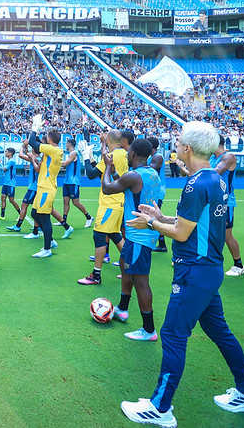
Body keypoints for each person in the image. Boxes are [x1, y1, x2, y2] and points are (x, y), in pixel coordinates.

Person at [121, 121, 244, 427]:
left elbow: (180, 233)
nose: (175, 147)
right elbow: (192, 222)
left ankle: (160, 409)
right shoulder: (214, 180)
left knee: (174, 334)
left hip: (194, 272)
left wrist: (151, 224)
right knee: (220, 333)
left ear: (187, 149)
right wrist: (161, 216)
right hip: (210, 269)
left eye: (178, 143)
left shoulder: (195, 184)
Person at [100, 138, 161, 341]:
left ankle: (149, 330)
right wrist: (116, 172)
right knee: (125, 267)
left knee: (140, 280)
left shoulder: (134, 175)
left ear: (133, 154)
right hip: (141, 232)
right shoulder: (151, 171)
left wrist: (107, 167)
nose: (126, 154)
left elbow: (107, 188)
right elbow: (125, 184)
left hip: (139, 235)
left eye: (128, 152)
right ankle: (123, 309)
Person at [78, 132, 126, 285]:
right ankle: (129, 270)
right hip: (119, 201)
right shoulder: (122, 154)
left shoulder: (112, 156)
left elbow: (92, 174)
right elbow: (102, 172)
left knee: (99, 236)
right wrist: (97, 152)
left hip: (109, 203)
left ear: (109, 140)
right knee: (115, 236)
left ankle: (96, 275)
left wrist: (86, 155)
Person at [28, 115, 73, 258]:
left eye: (47, 136)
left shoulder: (53, 150)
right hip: (44, 187)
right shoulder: (53, 150)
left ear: (50, 139)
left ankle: (47, 248)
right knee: (35, 214)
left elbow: (32, 143)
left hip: (46, 188)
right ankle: (50, 239)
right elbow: (35, 143)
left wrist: (35, 128)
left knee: (44, 217)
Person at [209, 135, 244, 276]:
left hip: (225, 201)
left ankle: (239, 265)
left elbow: (215, 173)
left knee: (226, 235)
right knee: (213, 233)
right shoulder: (212, 158)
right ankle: (212, 261)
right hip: (213, 200)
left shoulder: (228, 156)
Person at [60, 139, 93, 228]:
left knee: (76, 202)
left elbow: (65, 164)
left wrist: (54, 161)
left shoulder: (74, 153)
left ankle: (89, 217)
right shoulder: (71, 154)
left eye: (66, 144)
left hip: (73, 182)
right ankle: (63, 220)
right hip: (67, 181)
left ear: (69, 144)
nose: (65, 146)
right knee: (65, 201)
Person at [7, 141, 39, 233]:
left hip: (33, 187)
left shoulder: (35, 159)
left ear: (33, 150)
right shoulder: (37, 158)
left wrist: (22, 146)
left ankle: (18, 226)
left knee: (24, 205)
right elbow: (26, 154)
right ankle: (38, 226)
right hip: (35, 187)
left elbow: (21, 155)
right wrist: (26, 148)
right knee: (35, 208)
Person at [147, 137, 168, 253]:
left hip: (158, 191)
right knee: (156, 217)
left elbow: (151, 169)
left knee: (156, 217)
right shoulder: (153, 157)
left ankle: (155, 242)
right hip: (154, 191)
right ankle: (162, 244)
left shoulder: (157, 157)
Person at [0, 147, 20, 220]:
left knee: (11, 200)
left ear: (10, 153)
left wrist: (0, 163)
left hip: (11, 184)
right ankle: (2, 215)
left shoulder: (12, 161)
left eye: (6, 152)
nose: (5, 153)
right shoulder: (9, 161)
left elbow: (4, 169)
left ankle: (21, 214)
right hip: (6, 183)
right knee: (3, 197)